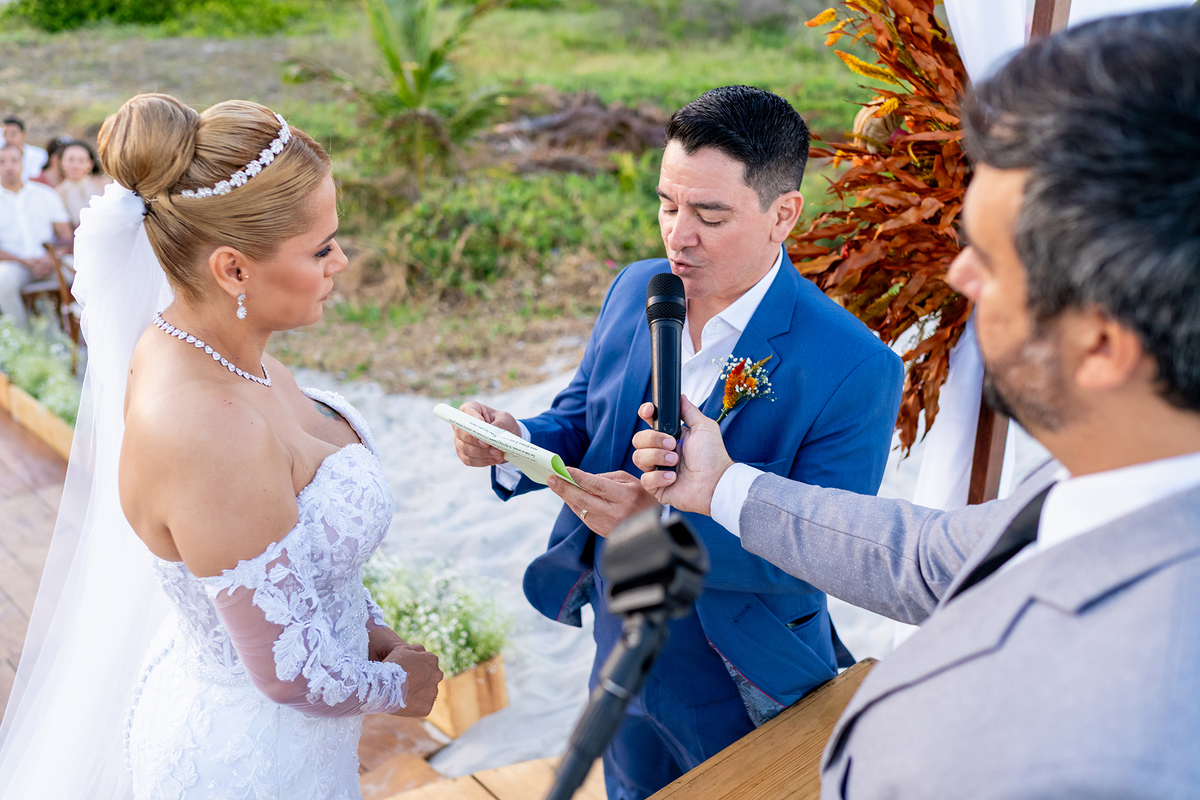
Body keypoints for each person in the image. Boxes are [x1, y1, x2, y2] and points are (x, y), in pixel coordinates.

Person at [632, 9, 1200, 797]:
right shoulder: (1120, 473)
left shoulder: (1112, 748)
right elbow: (929, 556)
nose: (960, 276)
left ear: (1102, 342)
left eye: (993, 260)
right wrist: (721, 484)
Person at [451, 86, 904, 800]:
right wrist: (515, 440)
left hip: (742, 670)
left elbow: (826, 551)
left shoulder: (855, 366)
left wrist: (657, 529)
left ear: (783, 214)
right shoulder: (635, 288)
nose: (677, 236)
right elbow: (582, 419)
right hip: (619, 640)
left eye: (709, 216)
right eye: (667, 205)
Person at [0, 93, 443, 799]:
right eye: (320, 248)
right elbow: (289, 672)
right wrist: (400, 685)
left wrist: (370, 629)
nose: (342, 261)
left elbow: (296, 563)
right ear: (234, 270)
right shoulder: (204, 428)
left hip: (298, 746)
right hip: (246, 765)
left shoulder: (218, 351)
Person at [0, 143, 72, 327]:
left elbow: (65, 236)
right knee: (2, 281)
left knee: (82, 272)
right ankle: (23, 337)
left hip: (52, 260)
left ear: (22, 163)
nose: (8, 166)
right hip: (15, 264)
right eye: (2, 162)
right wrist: (22, 260)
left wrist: (51, 258)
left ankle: (79, 332)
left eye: (14, 160)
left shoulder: (45, 194)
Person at [55, 140, 109, 229]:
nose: (75, 165)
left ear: (90, 164)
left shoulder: (105, 184)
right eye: (71, 160)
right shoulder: (58, 193)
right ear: (61, 163)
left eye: (81, 160)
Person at [1, 116, 49, 181]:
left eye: (13, 134)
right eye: (5, 134)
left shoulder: (39, 155)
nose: (8, 138)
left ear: (24, 135)